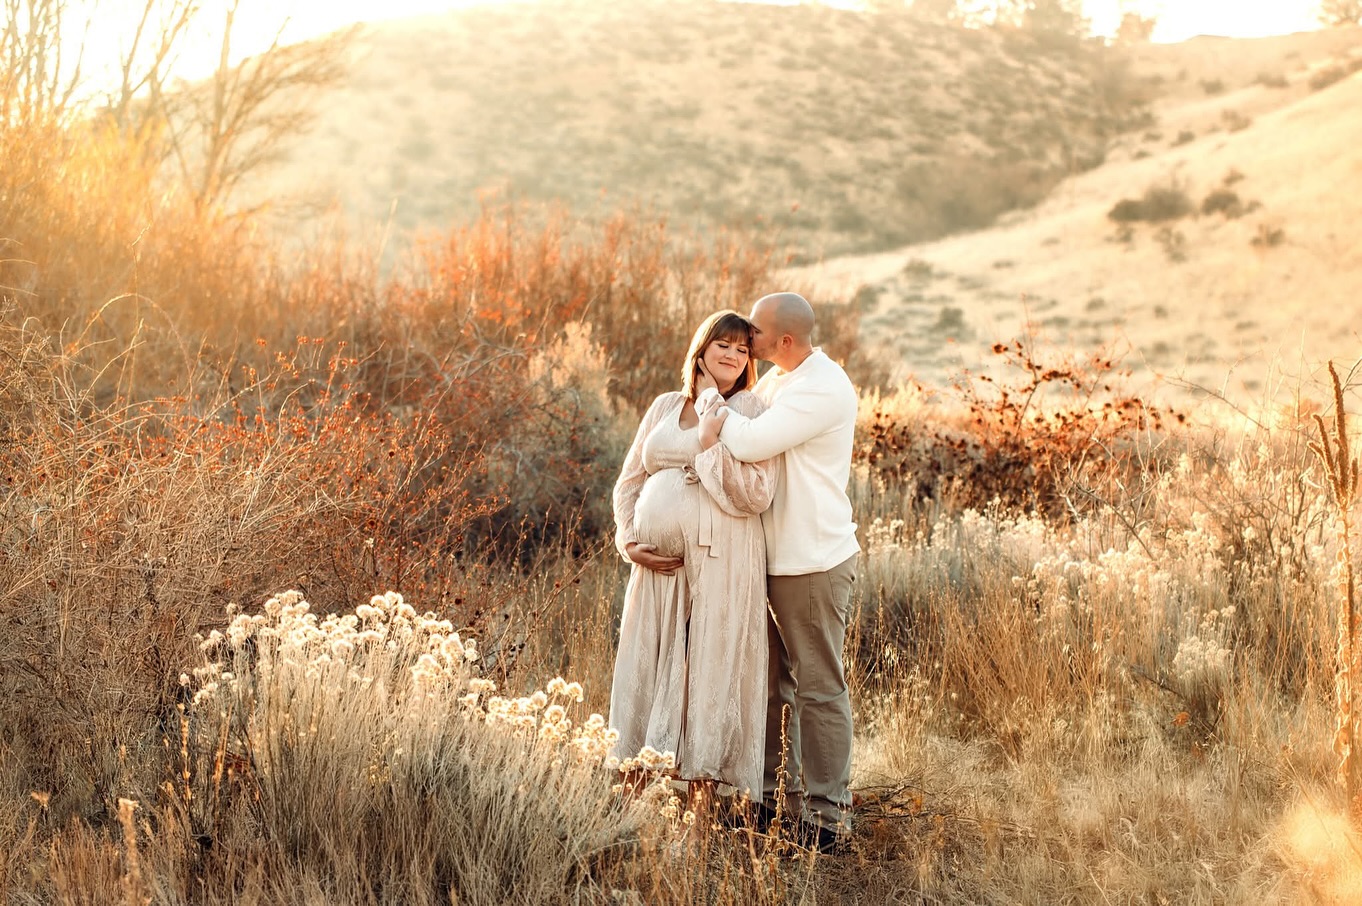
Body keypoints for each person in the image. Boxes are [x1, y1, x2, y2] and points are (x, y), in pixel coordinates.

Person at [695, 291, 859, 852]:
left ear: (784, 341)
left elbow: (750, 439)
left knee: (818, 688)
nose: (747, 342)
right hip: (765, 558)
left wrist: (712, 414)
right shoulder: (777, 383)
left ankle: (827, 818)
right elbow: (741, 415)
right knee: (767, 684)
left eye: (755, 336)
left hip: (811, 561)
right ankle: (766, 799)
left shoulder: (823, 386)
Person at [608, 310, 778, 803]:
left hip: (719, 564)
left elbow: (755, 493)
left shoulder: (749, 409)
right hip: (656, 573)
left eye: (743, 350)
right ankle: (637, 805)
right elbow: (629, 481)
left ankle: (701, 813)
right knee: (649, 668)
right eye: (723, 344)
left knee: (707, 667)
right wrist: (627, 539)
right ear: (701, 348)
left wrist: (708, 443)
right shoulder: (664, 404)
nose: (733, 354)